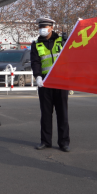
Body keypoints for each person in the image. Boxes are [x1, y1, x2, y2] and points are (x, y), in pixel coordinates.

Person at [31, 17, 70, 152]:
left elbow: (71, 55)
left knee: (62, 114)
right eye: (40, 26)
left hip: (60, 82)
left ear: (51, 27)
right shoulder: (36, 44)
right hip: (45, 83)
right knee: (46, 114)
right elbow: (35, 62)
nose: (42, 29)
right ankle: (45, 141)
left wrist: (68, 40)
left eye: (45, 26)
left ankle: (64, 142)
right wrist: (37, 77)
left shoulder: (62, 41)